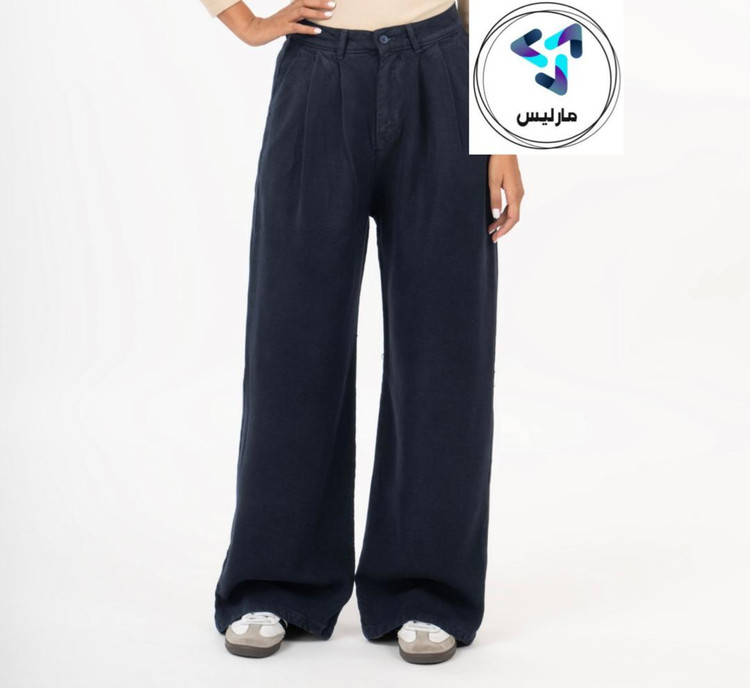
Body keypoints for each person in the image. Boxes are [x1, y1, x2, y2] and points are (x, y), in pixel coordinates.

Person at [200, 0, 525, 664]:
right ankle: (274, 579)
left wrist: (506, 131)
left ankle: (427, 587)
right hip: (317, 70)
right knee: (292, 342)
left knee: (445, 347)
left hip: (445, 71)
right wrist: (243, 20)